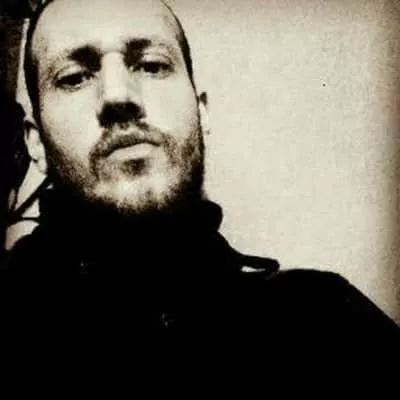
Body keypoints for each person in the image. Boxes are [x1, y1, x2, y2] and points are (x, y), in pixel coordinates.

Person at [1, 0, 399, 380]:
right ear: (35, 144)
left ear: (201, 111)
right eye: (73, 78)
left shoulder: (325, 319)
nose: (118, 95)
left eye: (152, 65)